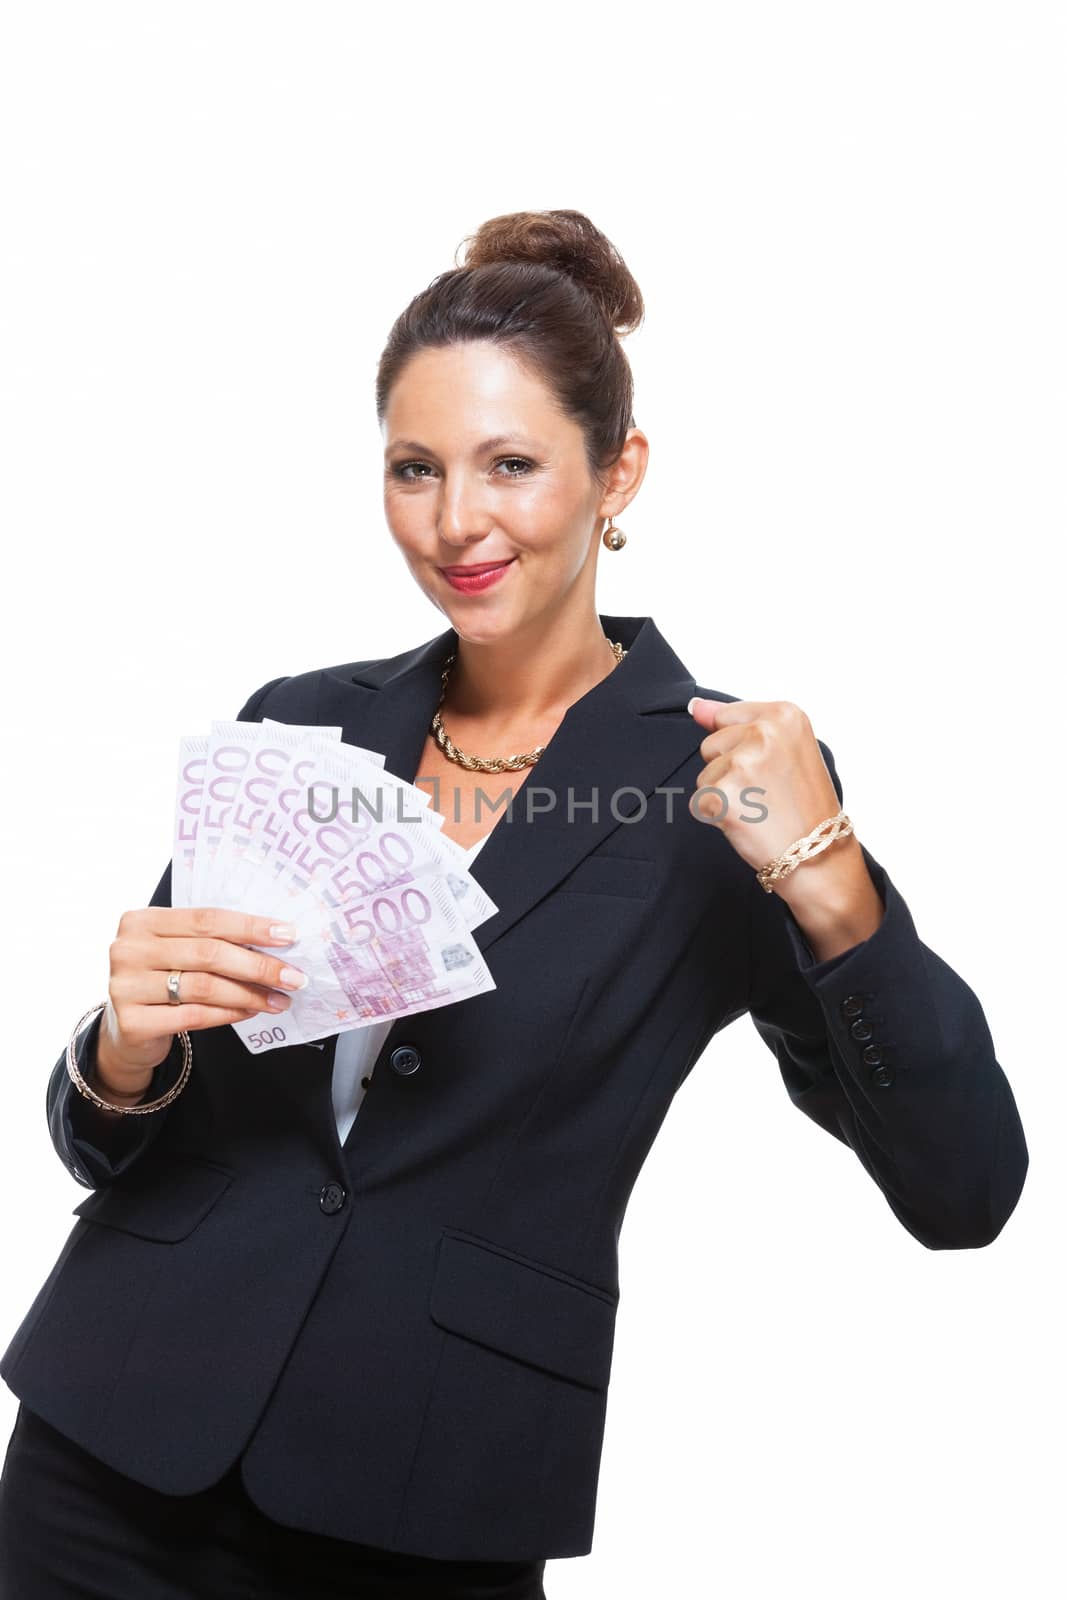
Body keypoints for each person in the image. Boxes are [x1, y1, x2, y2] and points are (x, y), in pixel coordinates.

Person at [0, 208, 1029, 1598]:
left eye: (512, 465)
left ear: (619, 475)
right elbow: (104, 1138)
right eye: (414, 468)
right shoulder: (300, 724)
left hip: (430, 1493)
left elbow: (965, 1191)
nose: (455, 522)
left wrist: (835, 885)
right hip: (109, 1447)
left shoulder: (718, 781)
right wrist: (118, 1058)